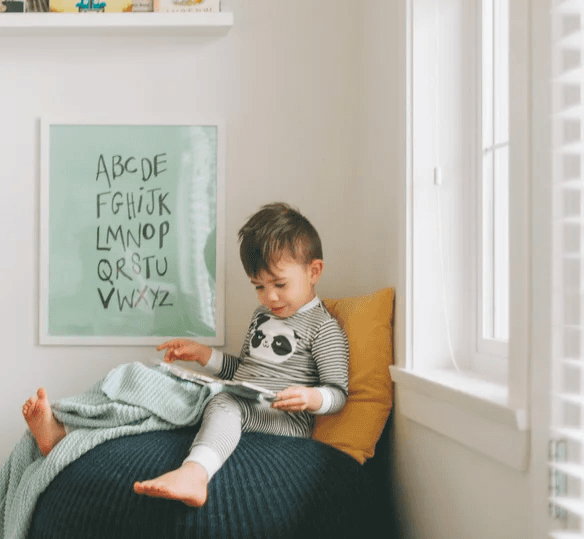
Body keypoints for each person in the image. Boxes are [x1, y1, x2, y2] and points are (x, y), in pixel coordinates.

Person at [21, 202, 349, 507]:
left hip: (284, 418)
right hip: (246, 397)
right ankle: (67, 432)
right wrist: (205, 355)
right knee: (152, 380)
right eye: (259, 286)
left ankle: (195, 475)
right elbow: (244, 372)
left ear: (314, 271)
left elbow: (338, 393)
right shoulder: (262, 317)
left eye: (279, 284)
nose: (269, 296)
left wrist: (310, 397)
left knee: (223, 402)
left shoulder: (324, 328)